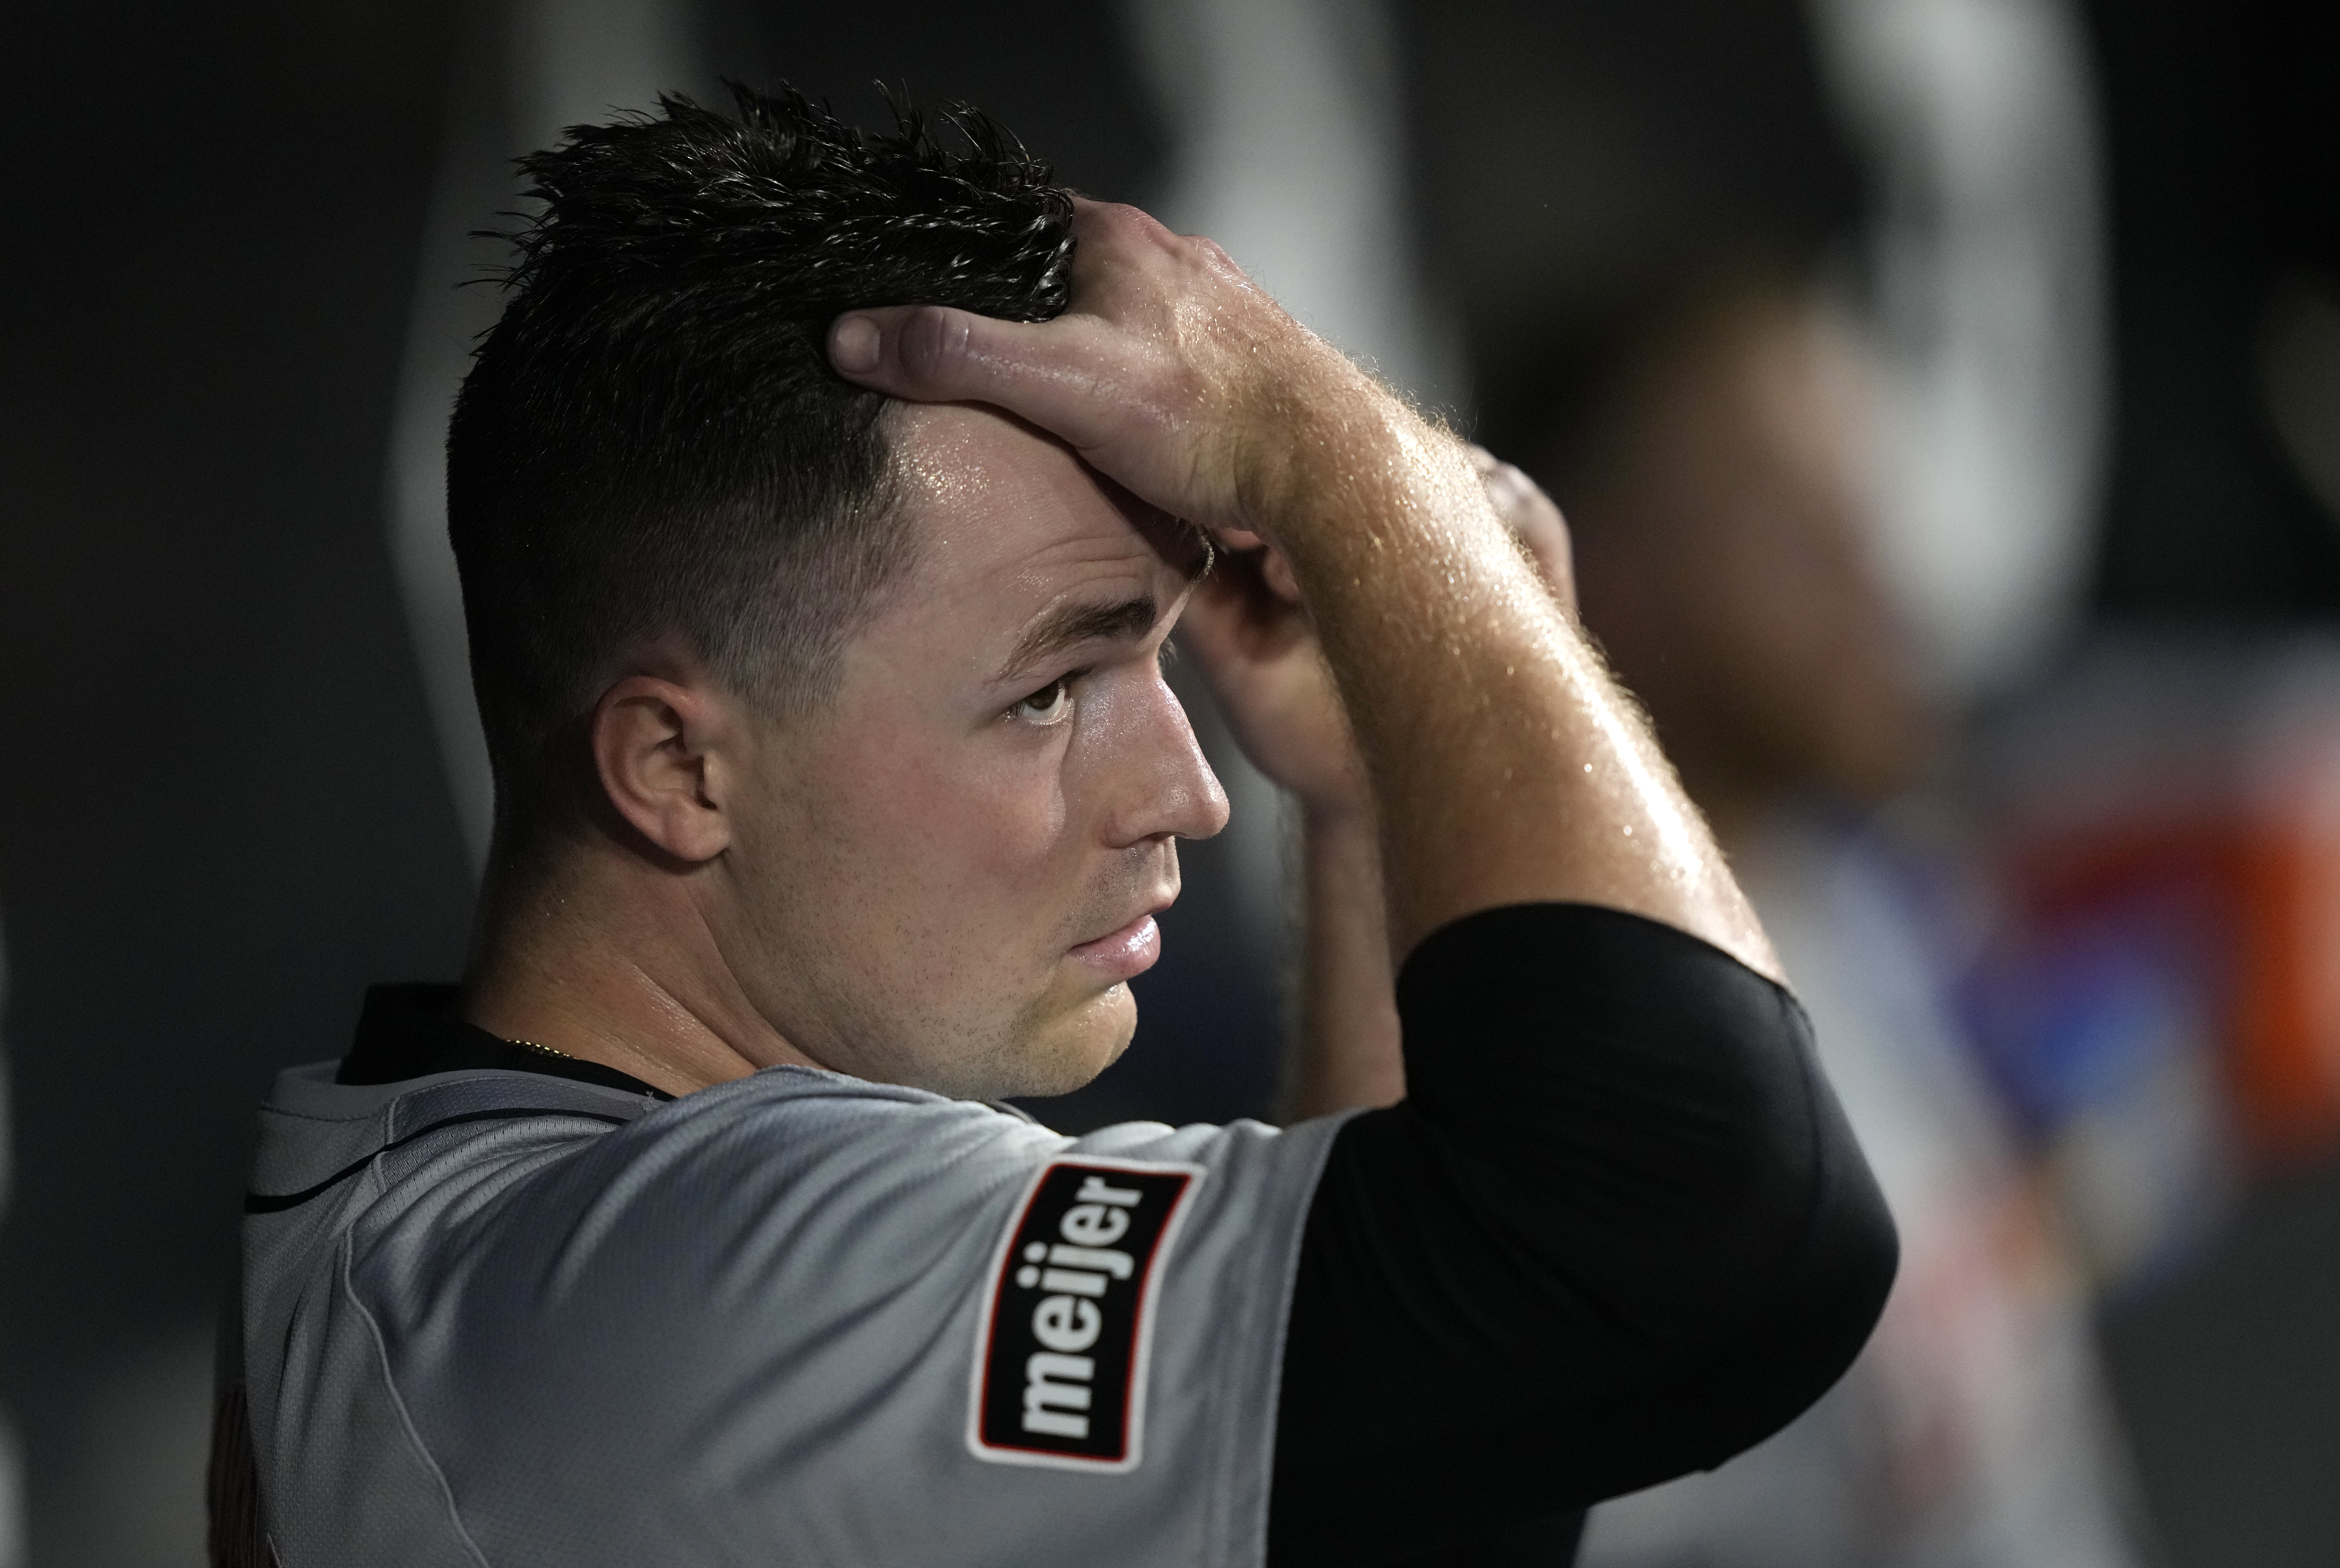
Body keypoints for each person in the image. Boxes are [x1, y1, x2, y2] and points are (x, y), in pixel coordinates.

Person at [213, 88, 1895, 1567]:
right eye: (1048, 689)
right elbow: (1724, 1219)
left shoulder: (493, 1236)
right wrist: (1352, 465)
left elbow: (1436, 1477)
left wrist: (1376, 792)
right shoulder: (678, 1286)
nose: (1188, 788)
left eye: (1157, 654)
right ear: (674, 767)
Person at [1362, 276, 2142, 1568]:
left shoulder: (1860, 901)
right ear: (1588, 572)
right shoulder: (1540, 1067)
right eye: (1784, 521)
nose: (1867, 567)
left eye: (1857, 503)